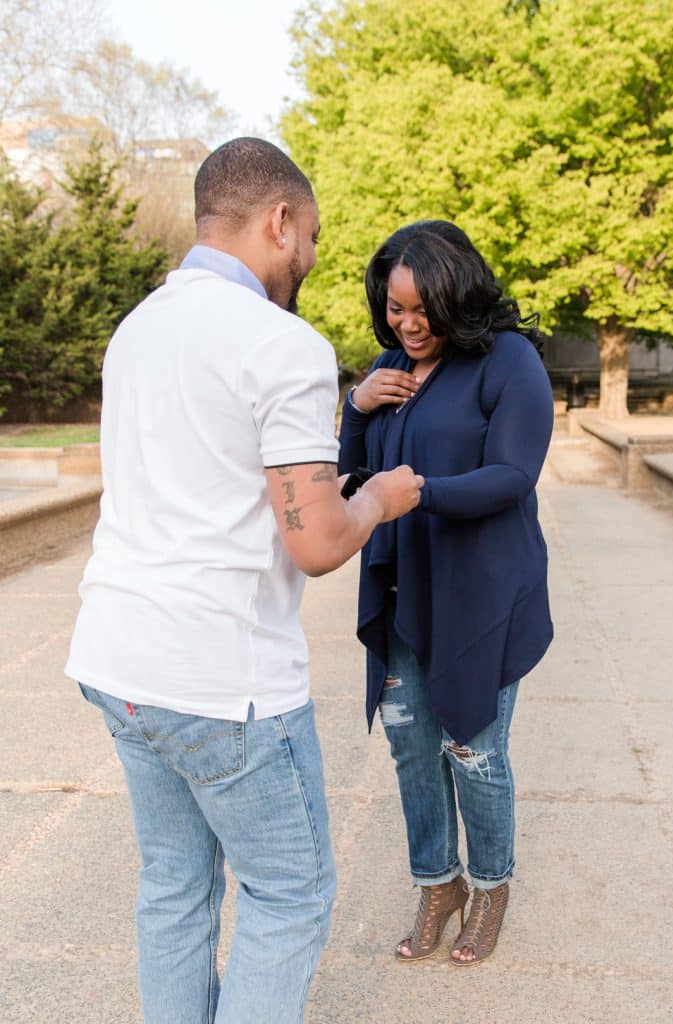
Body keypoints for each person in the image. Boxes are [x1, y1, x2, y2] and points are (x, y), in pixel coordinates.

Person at [65, 138, 423, 1024]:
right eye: (311, 239)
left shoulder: (136, 328)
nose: (309, 259)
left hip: (118, 660)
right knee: (289, 897)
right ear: (279, 221)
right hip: (223, 681)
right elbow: (317, 544)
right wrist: (377, 498)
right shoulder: (282, 343)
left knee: (173, 887)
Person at [338, 220, 554, 966]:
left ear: (456, 294)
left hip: (480, 592)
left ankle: (491, 885)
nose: (408, 324)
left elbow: (513, 474)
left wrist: (421, 491)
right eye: (395, 308)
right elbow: (351, 478)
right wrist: (357, 406)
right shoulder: (389, 369)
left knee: (473, 747)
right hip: (404, 586)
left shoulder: (507, 360)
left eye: (421, 309)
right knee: (410, 744)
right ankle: (438, 881)